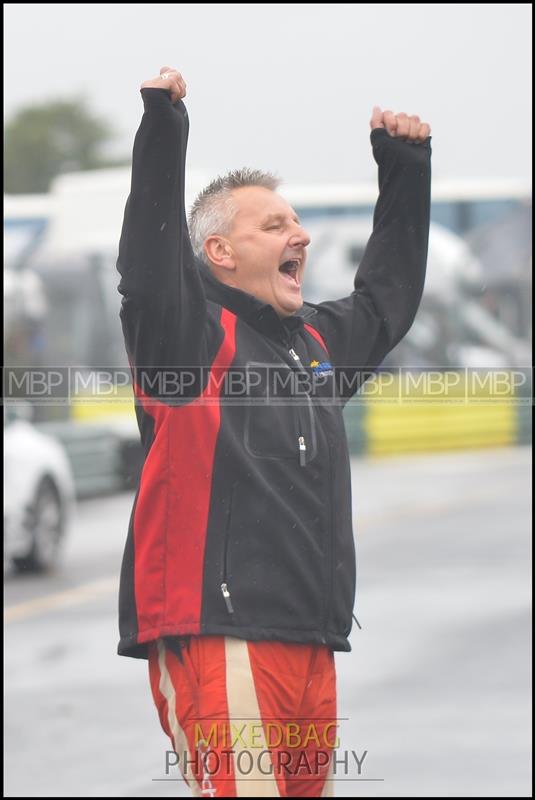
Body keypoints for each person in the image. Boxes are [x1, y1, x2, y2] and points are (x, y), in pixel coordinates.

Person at [116, 65, 432, 798]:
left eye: (295, 222)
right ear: (220, 254)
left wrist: (404, 171)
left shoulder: (312, 346)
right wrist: (164, 128)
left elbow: (384, 301)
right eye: (274, 225)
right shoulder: (185, 338)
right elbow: (149, 270)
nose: (301, 235)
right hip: (220, 631)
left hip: (309, 639)